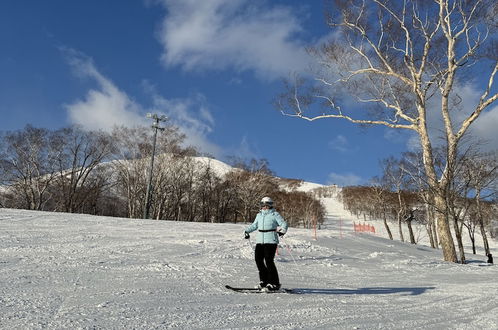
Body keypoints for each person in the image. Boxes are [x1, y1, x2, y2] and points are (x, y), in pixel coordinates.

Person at [244, 196, 288, 291]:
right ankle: (264, 281)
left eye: (267, 205)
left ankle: (274, 283)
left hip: (271, 240)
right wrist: (247, 231)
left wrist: (282, 231)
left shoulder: (274, 214)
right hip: (260, 240)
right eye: (263, 205)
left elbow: (284, 224)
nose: (265, 207)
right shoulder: (259, 215)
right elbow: (255, 225)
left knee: (269, 261)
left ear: (270, 205)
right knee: (258, 260)